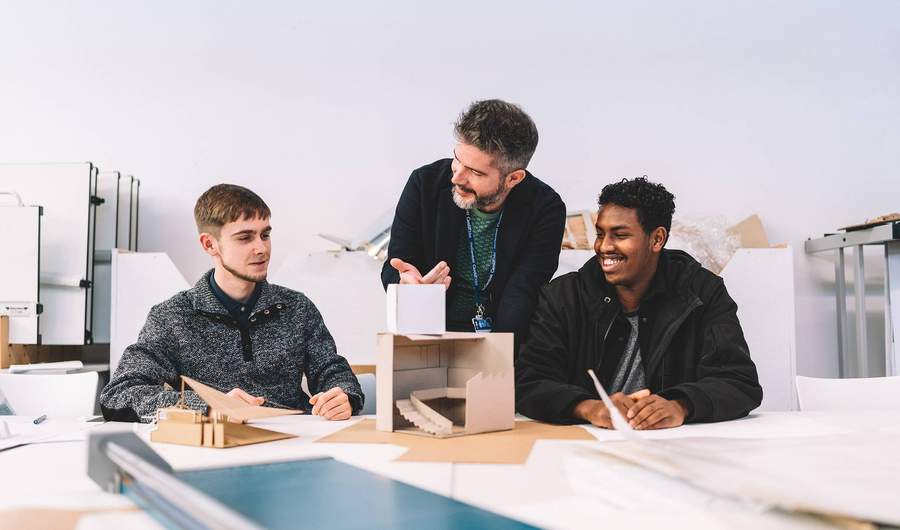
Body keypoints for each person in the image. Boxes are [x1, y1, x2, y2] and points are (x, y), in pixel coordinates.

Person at [100, 184, 362, 422]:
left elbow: (332, 370)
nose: (261, 248)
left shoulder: (297, 307)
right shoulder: (171, 317)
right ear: (209, 244)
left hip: (297, 443)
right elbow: (120, 395)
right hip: (216, 450)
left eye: (265, 235)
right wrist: (210, 406)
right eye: (245, 238)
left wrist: (343, 396)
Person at [516, 177, 762, 429]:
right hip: (587, 445)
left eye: (620, 235)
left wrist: (680, 405)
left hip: (675, 450)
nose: (604, 247)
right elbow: (529, 381)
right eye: (600, 234)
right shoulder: (563, 296)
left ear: (657, 239)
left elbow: (739, 381)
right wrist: (590, 408)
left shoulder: (702, 292)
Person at [382, 99, 565, 345]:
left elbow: (524, 292)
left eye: (476, 172)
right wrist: (407, 285)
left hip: (505, 339)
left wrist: (496, 357)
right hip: (428, 335)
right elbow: (396, 265)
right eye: (457, 160)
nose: (457, 177)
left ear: (513, 178)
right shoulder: (424, 184)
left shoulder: (545, 208)